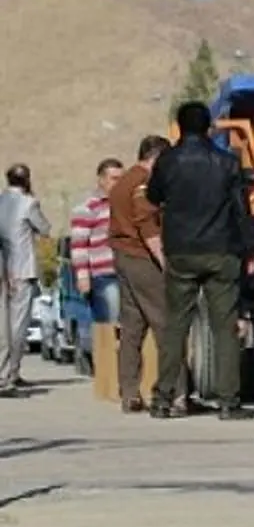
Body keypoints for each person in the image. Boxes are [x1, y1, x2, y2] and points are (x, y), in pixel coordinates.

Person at [147, 101, 254, 420]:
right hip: (221, 251)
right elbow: (241, 209)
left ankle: (163, 397)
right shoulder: (227, 162)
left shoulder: (168, 160)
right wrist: (249, 247)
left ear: (179, 127)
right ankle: (228, 401)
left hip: (181, 250)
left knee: (175, 326)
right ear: (208, 127)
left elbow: (153, 197)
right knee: (224, 328)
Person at [108, 135, 188, 414]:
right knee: (166, 325)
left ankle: (129, 392)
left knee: (132, 328)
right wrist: (167, 263)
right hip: (143, 260)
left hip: (123, 257)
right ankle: (174, 393)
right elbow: (148, 228)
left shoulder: (123, 182)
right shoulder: (142, 184)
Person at [0, 164, 52, 397]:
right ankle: (7, 376)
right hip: (21, 270)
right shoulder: (28, 203)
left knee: (3, 326)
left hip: (4, 271)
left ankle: (10, 372)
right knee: (17, 326)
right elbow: (44, 228)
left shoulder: (1, 201)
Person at [69, 158, 124, 324]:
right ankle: (107, 350)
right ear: (101, 180)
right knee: (110, 321)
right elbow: (79, 246)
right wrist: (83, 277)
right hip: (104, 275)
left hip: (126, 273)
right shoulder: (87, 208)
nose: (119, 183)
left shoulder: (126, 206)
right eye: (114, 179)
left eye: (122, 179)